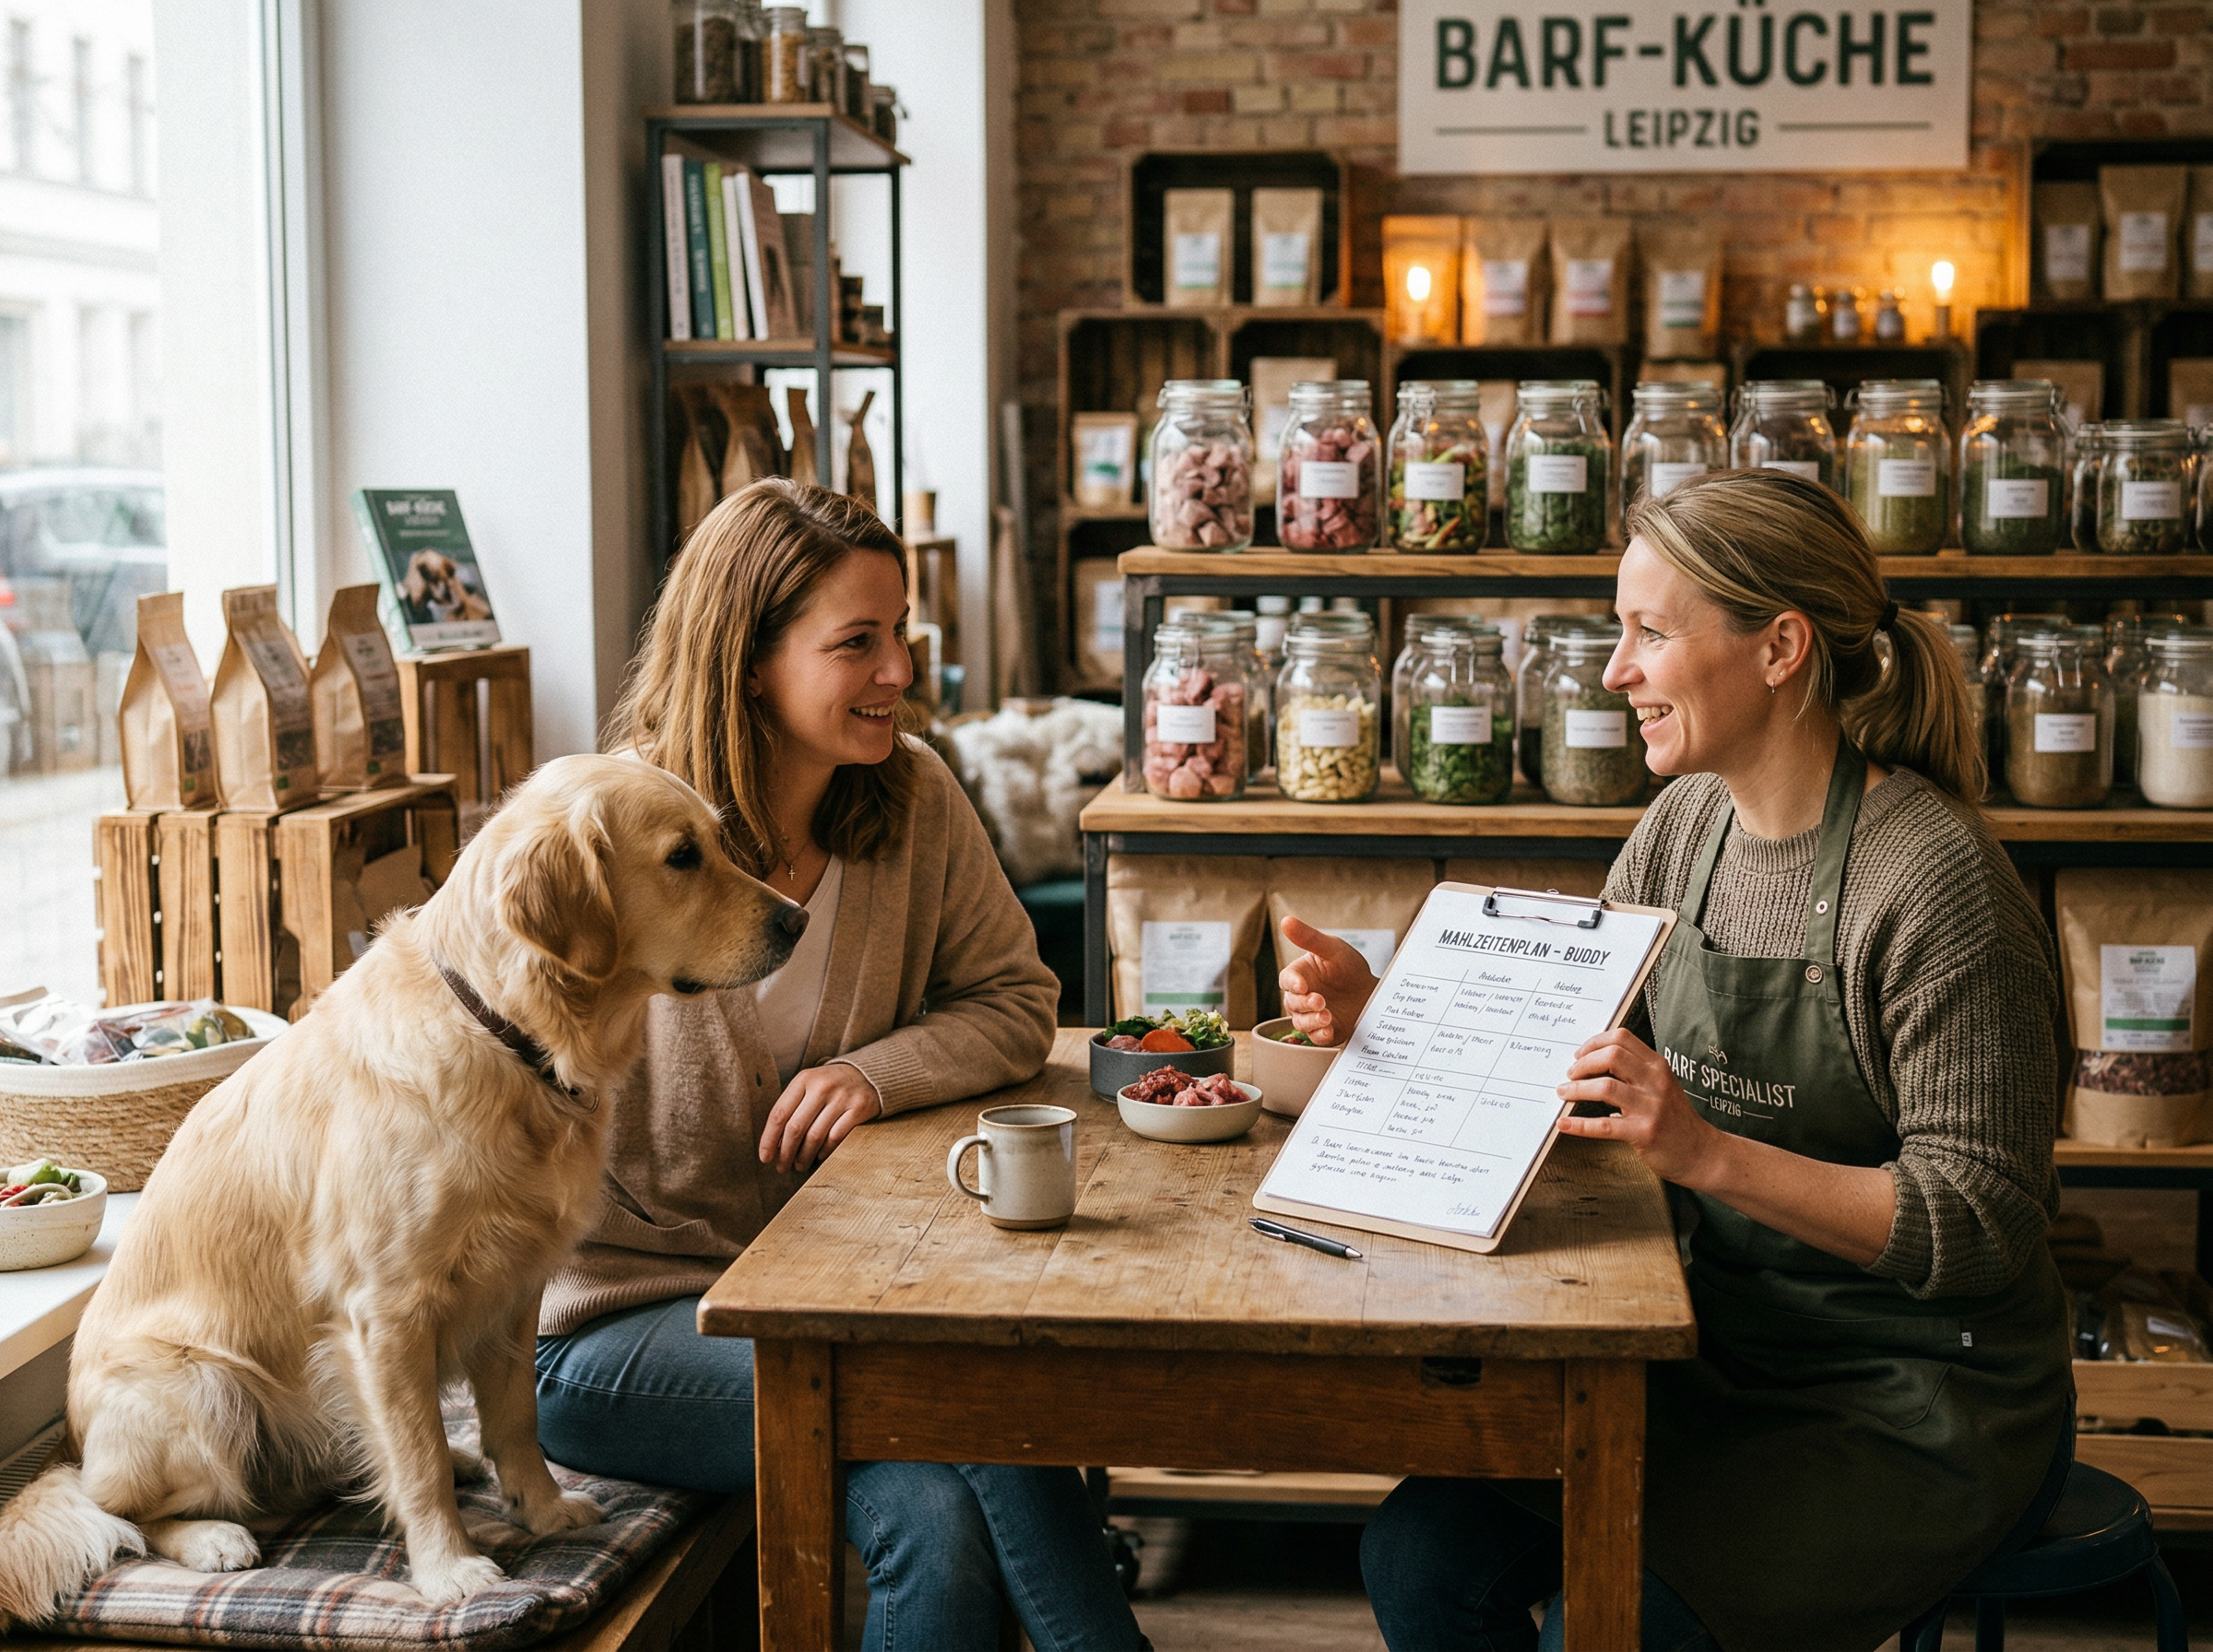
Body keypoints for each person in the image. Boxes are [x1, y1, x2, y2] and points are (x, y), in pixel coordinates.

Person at [1283, 469, 2072, 1652]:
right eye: (1620, 631)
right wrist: (1387, 1018)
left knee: (1618, 1625)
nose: (1615, 672)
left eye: (1651, 633)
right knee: (1419, 1550)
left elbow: (1981, 1223)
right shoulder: (1685, 828)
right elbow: (1572, 1065)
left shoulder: (1932, 883)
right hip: (1720, 1348)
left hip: (1917, 1399)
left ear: (1781, 648)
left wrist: (1703, 1149)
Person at [532, 480, 1145, 1652]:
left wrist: (878, 1072)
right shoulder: (617, 831)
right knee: (968, 1392)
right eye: (855, 642)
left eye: (900, 633)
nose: (896, 671)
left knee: (937, 1518)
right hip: (617, 1327)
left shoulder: (912, 797)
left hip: (835, 1301)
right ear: (748, 657)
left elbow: (1017, 999)